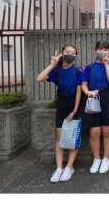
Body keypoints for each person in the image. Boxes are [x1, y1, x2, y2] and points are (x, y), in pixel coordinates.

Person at [36, 45, 82, 182]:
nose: (69, 54)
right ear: (62, 53)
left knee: (73, 137)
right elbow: (39, 78)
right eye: (67, 52)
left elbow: (79, 92)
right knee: (60, 136)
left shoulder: (78, 71)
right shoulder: (57, 70)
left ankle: (69, 167)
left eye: (72, 53)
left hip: (75, 104)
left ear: (76, 56)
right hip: (61, 102)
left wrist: (75, 110)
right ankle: (59, 168)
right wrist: (52, 65)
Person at [80, 40, 109, 174]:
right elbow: (83, 84)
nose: (103, 51)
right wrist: (88, 92)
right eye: (100, 49)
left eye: (106, 49)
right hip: (93, 98)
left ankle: (106, 159)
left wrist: (106, 64)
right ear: (95, 50)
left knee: (107, 130)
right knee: (94, 131)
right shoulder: (89, 67)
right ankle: (96, 159)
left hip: (108, 98)